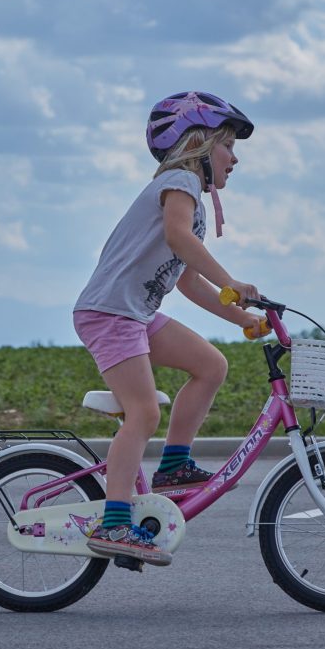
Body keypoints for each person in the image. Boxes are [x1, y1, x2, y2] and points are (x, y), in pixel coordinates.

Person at [72, 91, 266, 567]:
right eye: (228, 146)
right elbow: (178, 239)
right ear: (199, 143)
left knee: (210, 364)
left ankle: (174, 467)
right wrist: (233, 282)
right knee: (143, 413)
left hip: (134, 313)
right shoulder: (179, 182)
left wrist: (242, 318)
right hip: (110, 312)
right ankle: (115, 523)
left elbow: (184, 279)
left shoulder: (192, 203)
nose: (235, 158)